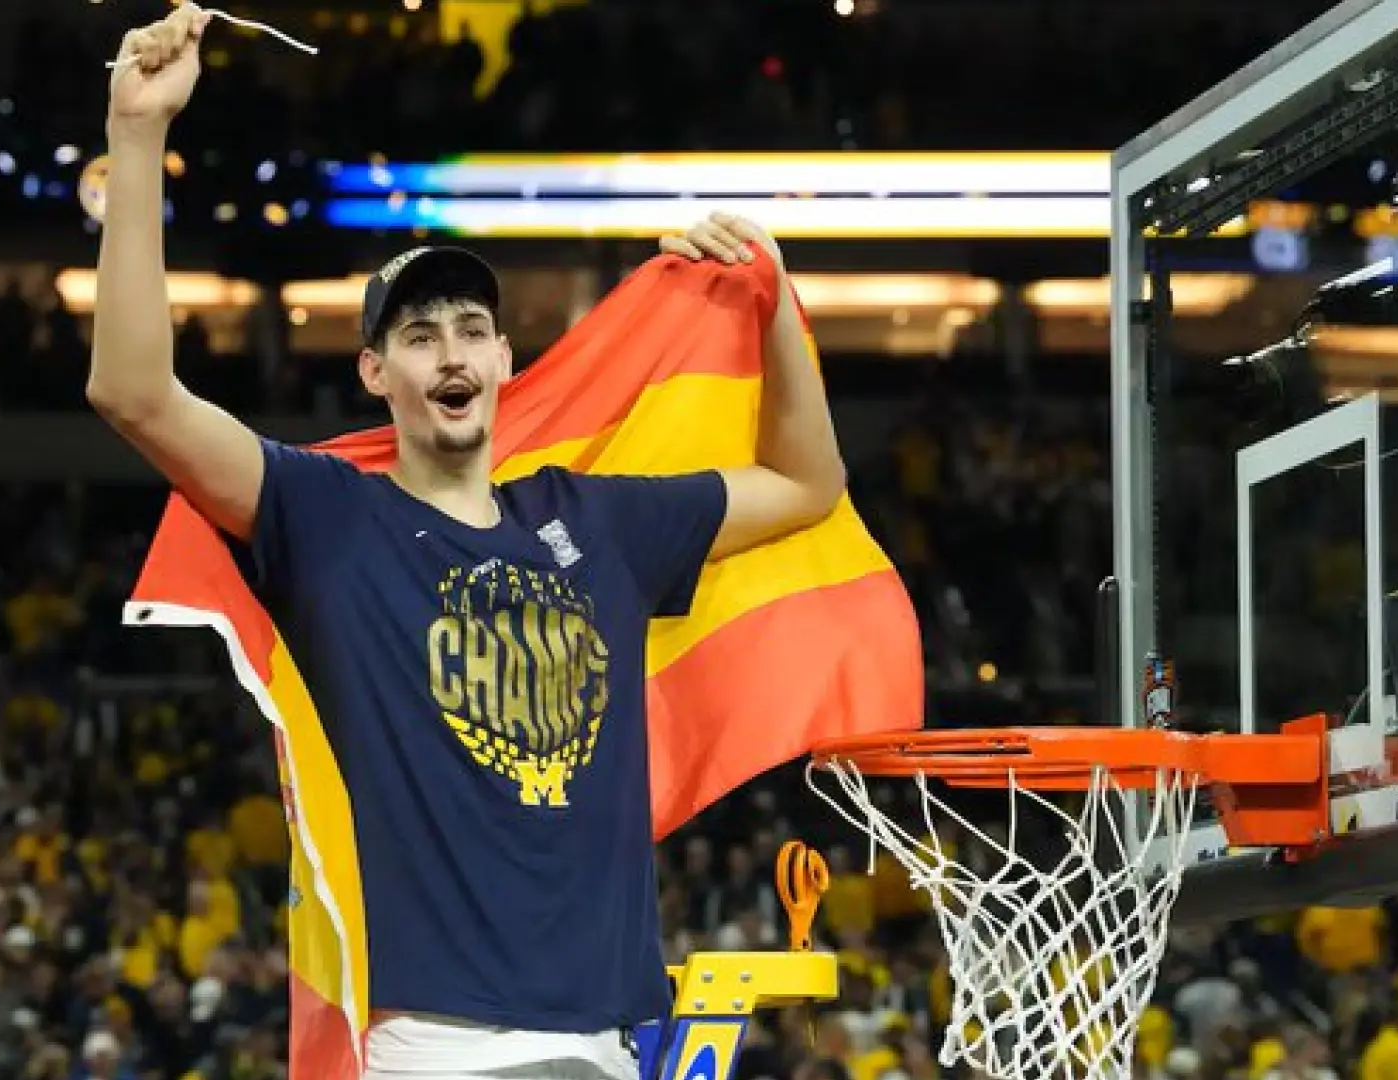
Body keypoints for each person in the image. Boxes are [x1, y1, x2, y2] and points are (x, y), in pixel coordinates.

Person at [87, 6, 845, 1078]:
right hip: (431, 1047)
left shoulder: (597, 520)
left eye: (472, 330)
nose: (451, 350)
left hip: (604, 1044)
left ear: (502, 363)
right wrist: (137, 135)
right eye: (419, 334)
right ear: (375, 374)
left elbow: (809, 484)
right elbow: (131, 391)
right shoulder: (331, 518)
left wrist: (772, 299)